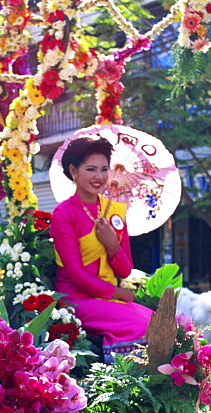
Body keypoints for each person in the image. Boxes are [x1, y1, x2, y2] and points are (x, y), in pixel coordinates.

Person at [50, 134, 153, 360]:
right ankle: (125, 383)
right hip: (76, 299)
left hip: (108, 298)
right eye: (91, 169)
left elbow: (125, 271)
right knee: (141, 326)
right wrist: (119, 292)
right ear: (74, 172)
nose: (99, 177)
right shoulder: (64, 214)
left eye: (104, 169)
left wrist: (112, 244)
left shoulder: (115, 210)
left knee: (162, 322)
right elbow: (76, 275)